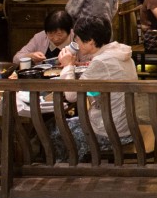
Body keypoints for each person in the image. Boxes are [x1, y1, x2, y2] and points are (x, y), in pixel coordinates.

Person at [53, 16, 137, 162]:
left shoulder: (101, 61)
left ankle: (68, 171)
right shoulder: (119, 52)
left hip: (110, 132)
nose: (76, 43)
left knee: (57, 130)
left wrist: (68, 66)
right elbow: (97, 90)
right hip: (124, 125)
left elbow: (72, 96)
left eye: (77, 39)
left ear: (90, 41)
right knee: (66, 124)